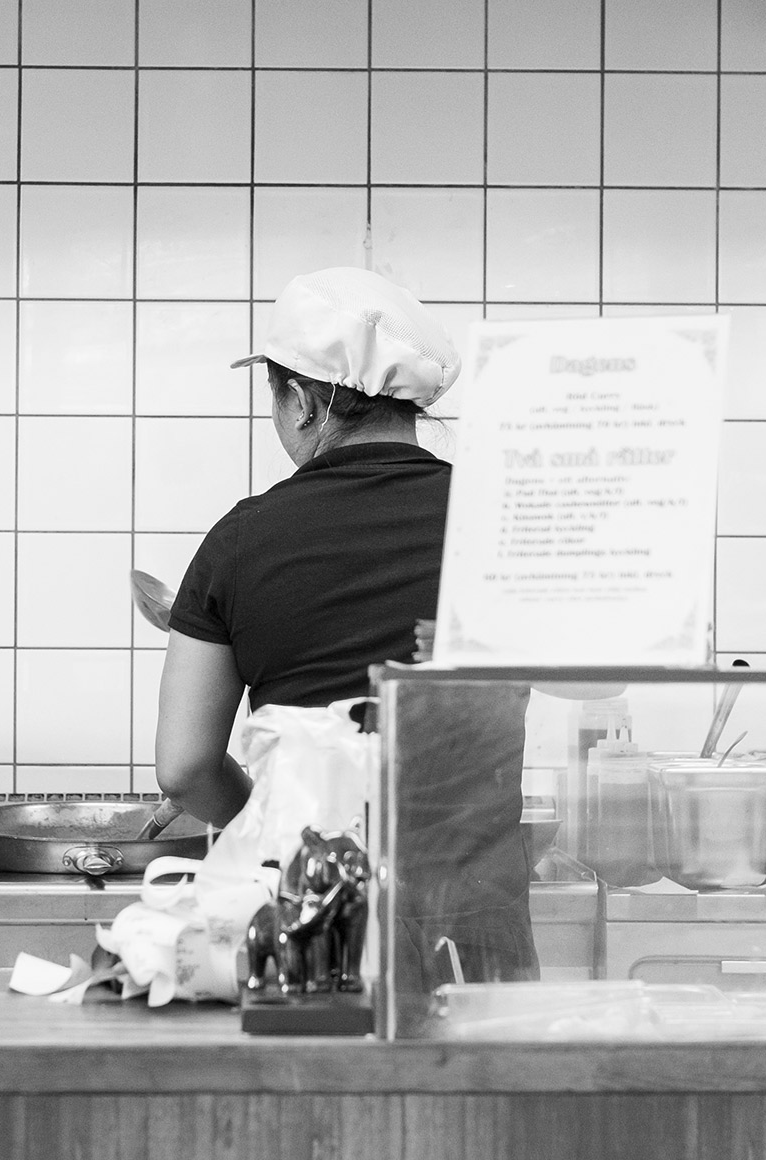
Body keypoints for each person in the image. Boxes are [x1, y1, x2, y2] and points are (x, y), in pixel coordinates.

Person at [154, 267, 538, 1003]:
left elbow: (184, 768)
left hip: (313, 923)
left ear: (301, 401)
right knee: (486, 1112)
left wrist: (273, 832)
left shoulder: (241, 541)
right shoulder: (501, 520)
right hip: (476, 921)